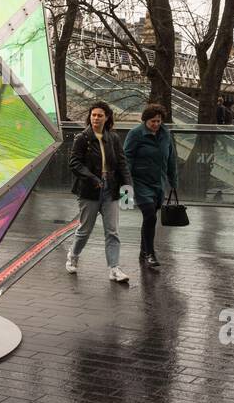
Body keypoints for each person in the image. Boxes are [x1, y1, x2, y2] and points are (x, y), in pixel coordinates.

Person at [66, 101, 131, 283]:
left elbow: (122, 164)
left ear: (107, 117)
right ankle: (73, 254)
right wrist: (93, 178)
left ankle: (114, 269)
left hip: (110, 189)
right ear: (90, 117)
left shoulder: (113, 138)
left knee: (112, 231)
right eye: (93, 115)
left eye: (100, 115)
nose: (96, 118)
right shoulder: (82, 138)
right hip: (89, 190)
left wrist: (128, 188)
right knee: (85, 230)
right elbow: (74, 164)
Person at [123, 102, 178, 272]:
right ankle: (150, 253)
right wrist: (126, 186)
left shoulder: (166, 135)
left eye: (158, 121)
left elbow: (171, 159)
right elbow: (126, 159)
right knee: (150, 216)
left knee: (150, 217)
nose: (155, 124)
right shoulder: (135, 134)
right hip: (140, 182)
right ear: (145, 121)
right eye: (152, 121)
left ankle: (142, 251)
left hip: (158, 183)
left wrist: (173, 182)